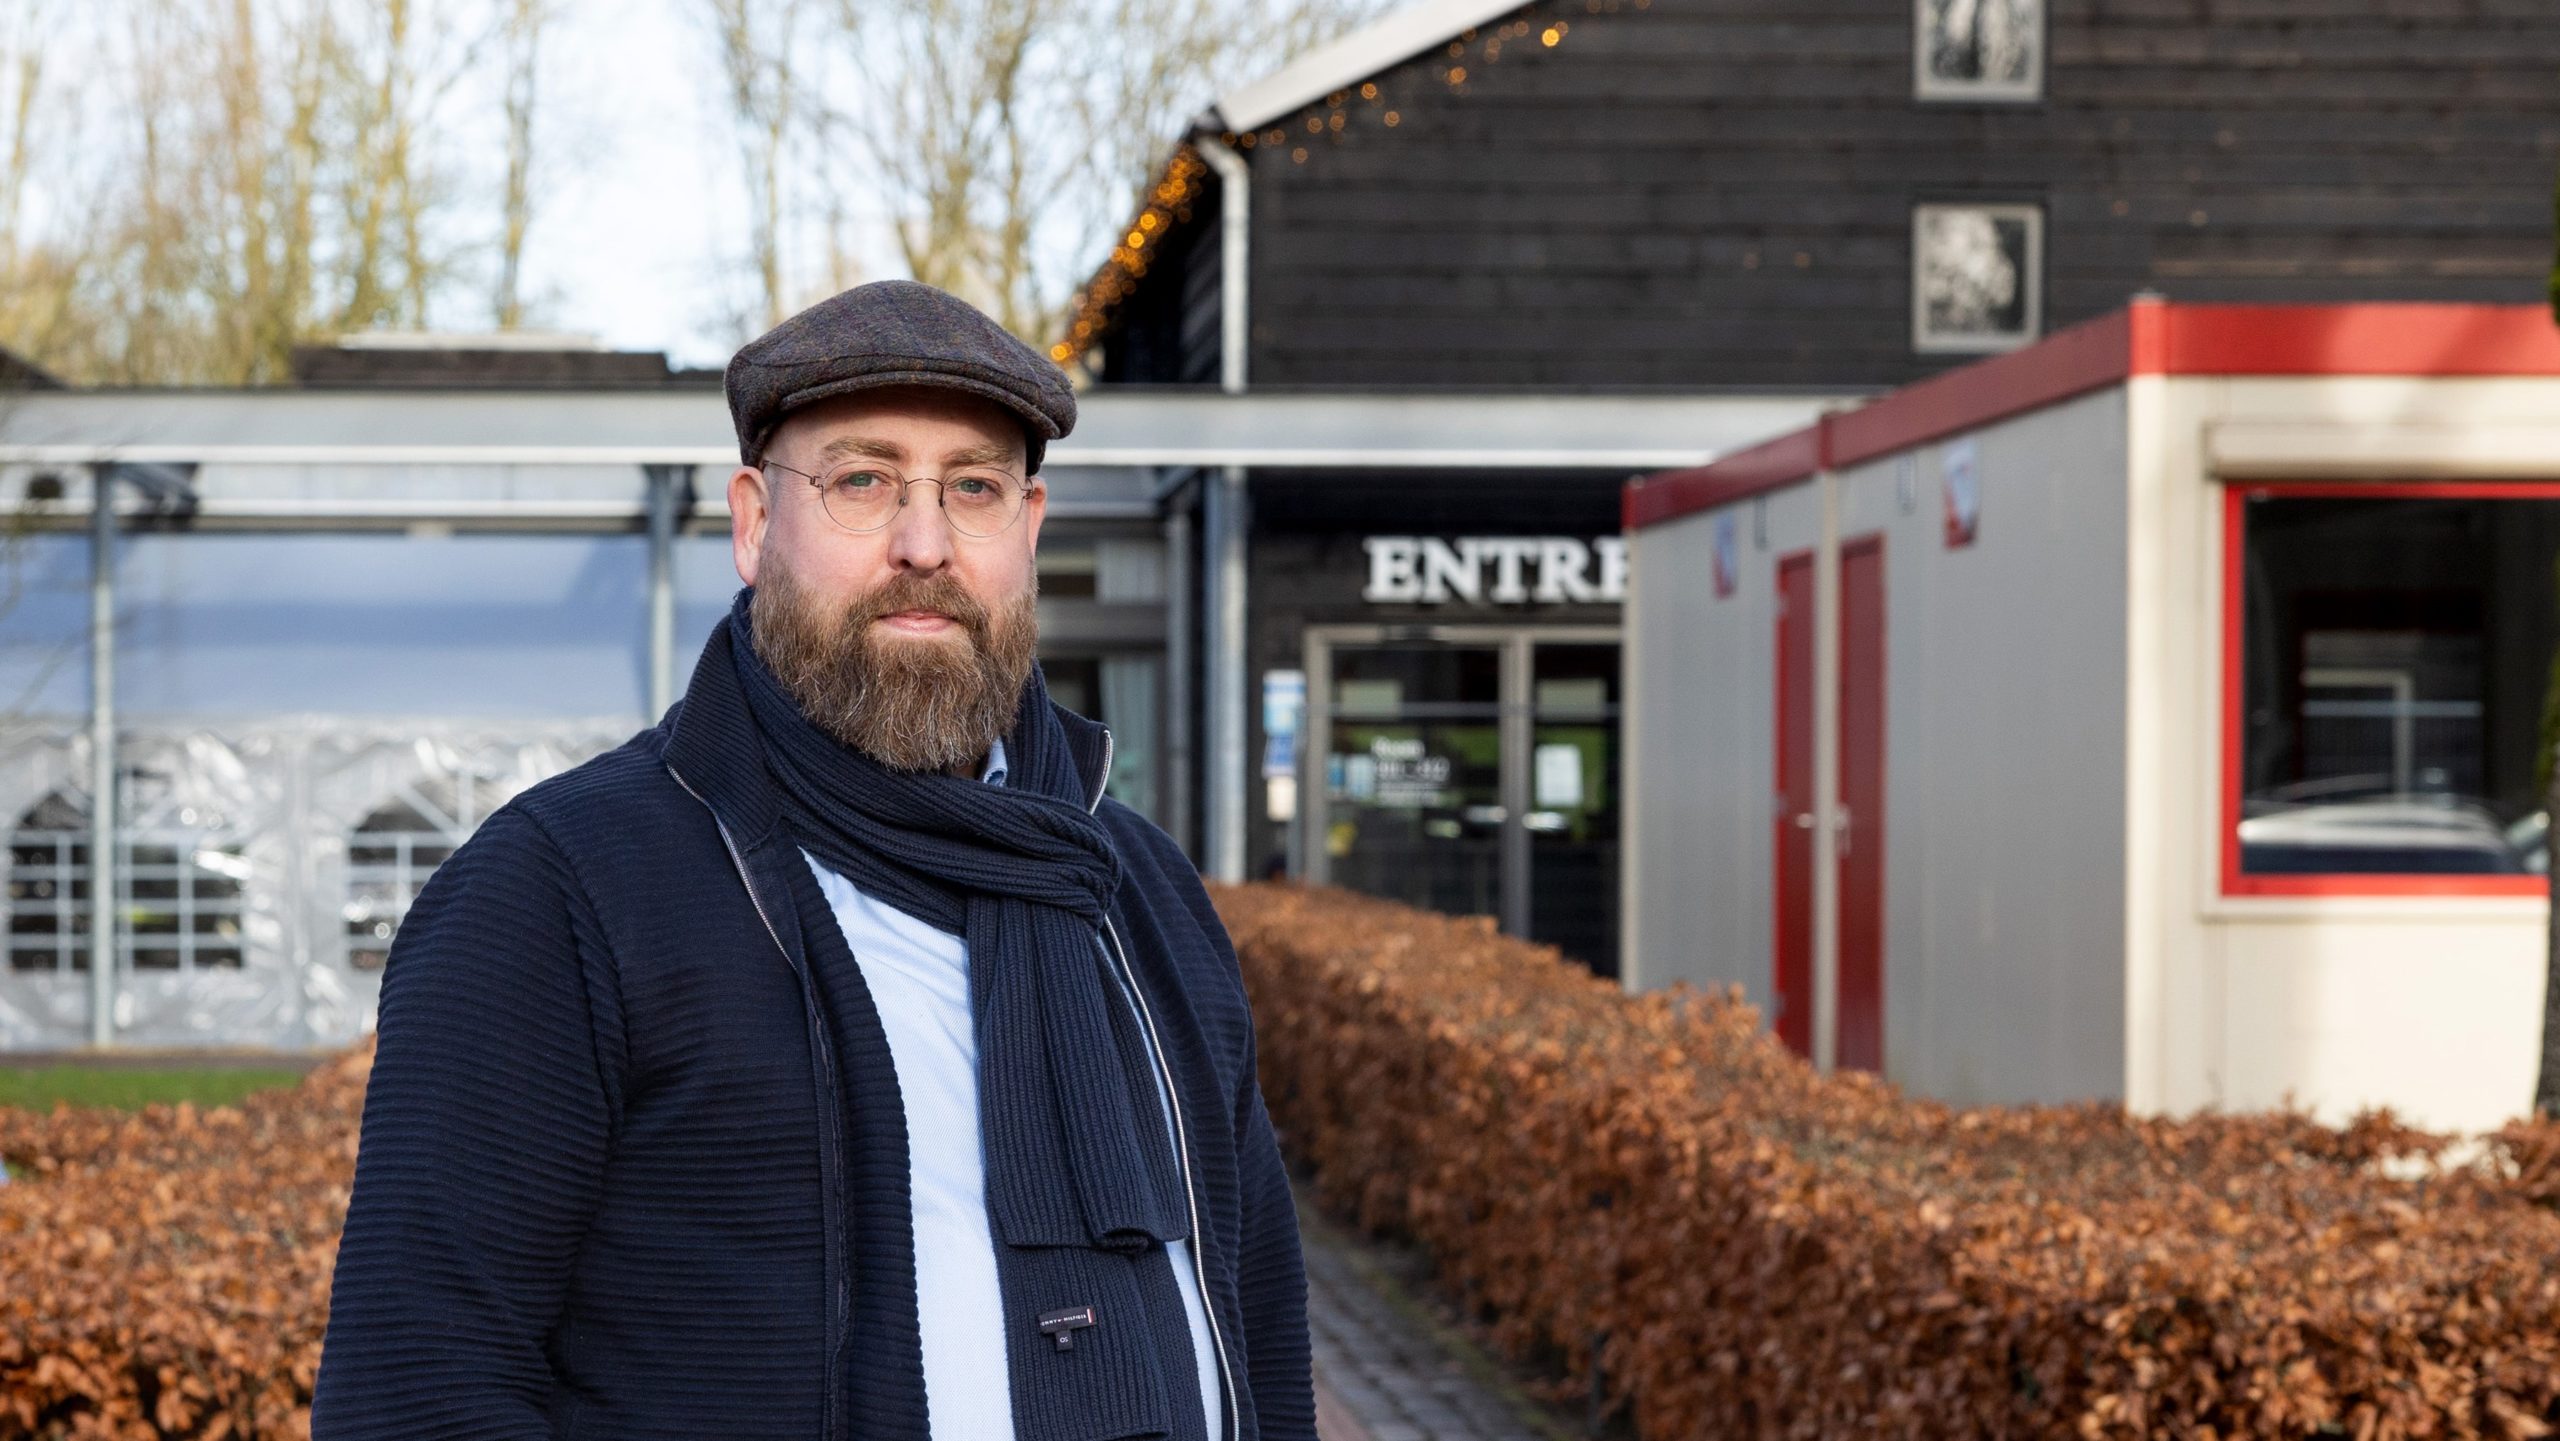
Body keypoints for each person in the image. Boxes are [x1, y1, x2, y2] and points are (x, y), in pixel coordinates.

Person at [311, 280, 1313, 1441]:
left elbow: (1261, 1336)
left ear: (1028, 533)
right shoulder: (557, 896)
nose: (924, 543)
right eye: (862, 480)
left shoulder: (1138, 894)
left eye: (973, 487)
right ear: (751, 523)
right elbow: (421, 1387)